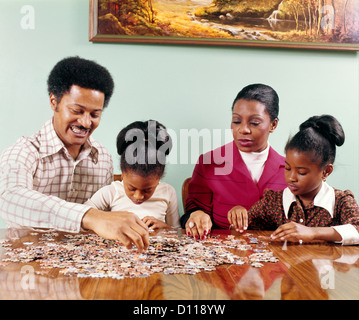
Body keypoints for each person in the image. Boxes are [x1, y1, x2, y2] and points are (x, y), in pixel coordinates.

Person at [0, 56, 149, 251]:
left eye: (95, 114)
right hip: (28, 266)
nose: (86, 123)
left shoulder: (102, 157)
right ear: (54, 102)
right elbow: (10, 199)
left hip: (87, 267)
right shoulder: (23, 151)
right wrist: (89, 216)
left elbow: (106, 220)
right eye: (77, 110)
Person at [181, 84, 287, 239]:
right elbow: (191, 212)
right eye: (236, 121)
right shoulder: (209, 163)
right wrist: (196, 214)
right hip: (221, 255)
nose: (243, 129)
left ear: (273, 124)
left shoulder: (291, 170)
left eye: (254, 123)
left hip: (278, 256)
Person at [245, 115, 359, 245]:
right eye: (287, 168)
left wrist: (313, 232)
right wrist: (239, 214)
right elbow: (249, 224)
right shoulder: (275, 201)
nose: (291, 178)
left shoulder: (341, 202)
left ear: (326, 171)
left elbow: (357, 229)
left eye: (301, 172)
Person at [85, 120, 180, 230]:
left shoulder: (168, 192)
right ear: (122, 171)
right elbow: (83, 214)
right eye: (131, 188)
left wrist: (166, 227)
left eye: (148, 190)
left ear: (160, 175)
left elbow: (177, 232)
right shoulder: (112, 192)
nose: (138, 196)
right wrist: (110, 218)